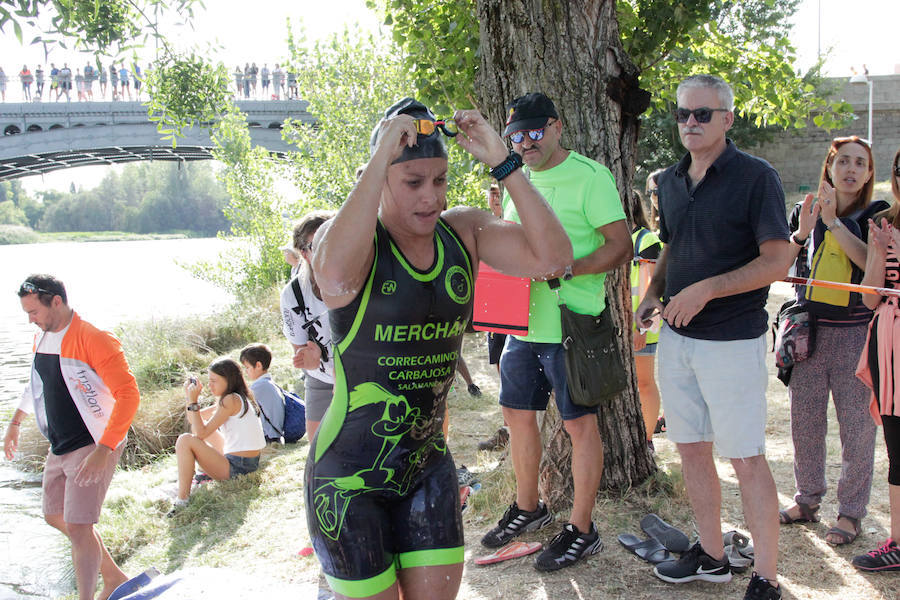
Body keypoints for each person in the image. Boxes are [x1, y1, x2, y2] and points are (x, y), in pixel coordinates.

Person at [306, 98, 572, 599]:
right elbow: (335, 276)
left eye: (440, 180)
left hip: (427, 469)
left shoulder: (463, 232)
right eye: (412, 182)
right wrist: (379, 156)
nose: (430, 197)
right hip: (346, 480)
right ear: (380, 175)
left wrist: (503, 160)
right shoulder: (349, 242)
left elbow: (553, 258)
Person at [635, 74, 791, 599]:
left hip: (733, 342)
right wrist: (655, 292)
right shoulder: (670, 179)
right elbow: (673, 246)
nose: (691, 123)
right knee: (691, 450)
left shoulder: (757, 177)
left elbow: (775, 261)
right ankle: (712, 557)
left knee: (745, 458)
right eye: (683, 114)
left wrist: (706, 290)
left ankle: (766, 577)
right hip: (676, 341)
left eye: (703, 114)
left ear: (727, 119)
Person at [481, 92, 631, 572]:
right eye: (515, 136)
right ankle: (529, 508)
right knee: (517, 416)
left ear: (557, 126)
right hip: (519, 326)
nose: (525, 143)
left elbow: (621, 246)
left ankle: (583, 531)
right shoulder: (513, 180)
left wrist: (568, 271)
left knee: (578, 426)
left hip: (574, 326)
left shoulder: (591, 176)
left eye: (534, 132)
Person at [4, 275, 140, 600]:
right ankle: (114, 576)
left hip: (93, 442)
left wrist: (104, 448)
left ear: (56, 301)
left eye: (34, 312)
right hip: (60, 444)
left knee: (79, 526)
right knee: (54, 515)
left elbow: (129, 395)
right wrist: (15, 422)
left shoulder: (93, 339)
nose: (30, 320)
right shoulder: (43, 338)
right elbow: (38, 384)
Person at [779, 136, 883, 545]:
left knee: (857, 429)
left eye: (860, 163)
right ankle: (807, 499)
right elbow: (784, 264)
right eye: (844, 162)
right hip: (807, 331)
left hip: (856, 332)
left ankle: (851, 513)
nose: (851, 169)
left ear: (870, 173)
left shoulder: (876, 212)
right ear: (830, 167)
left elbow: (865, 261)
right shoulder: (804, 210)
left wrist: (835, 221)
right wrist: (804, 230)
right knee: (804, 423)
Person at [854, 146, 900, 572]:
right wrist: (880, 251)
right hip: (891, 345)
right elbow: (870, 297)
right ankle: (899, 543)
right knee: (897, 444)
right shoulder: (886, 223)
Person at [171, 357, 265, 512]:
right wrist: (189, 397)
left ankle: (182, 500)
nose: (210, 385)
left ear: (228, 380)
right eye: (209, 381)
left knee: (184, 440)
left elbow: (201, 433)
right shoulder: (236, 397)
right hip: (247, 462)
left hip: (238, 468)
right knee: (195, 430)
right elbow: (194, 420)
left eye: (214, 381)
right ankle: (191, 479)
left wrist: (194, 401)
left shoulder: (230, 400)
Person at [281, 211, 335, 441]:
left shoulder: (364, 279)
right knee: (319, 452)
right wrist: (308, 359)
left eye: (332, 239)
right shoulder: (293, 294)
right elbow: (299, 350)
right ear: (304, 253)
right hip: (321, 380)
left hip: (366, 377)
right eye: (318, 244)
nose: (329, 250)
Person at [477, 182, 511, 452]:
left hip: (522, 312)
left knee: (515, 373)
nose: (495, 197)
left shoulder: (518, 221)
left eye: (499, 192)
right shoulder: (484, 228)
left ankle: (515, 430)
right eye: (492, 192)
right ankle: (506, 430)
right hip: (496, 312)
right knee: (502, 372)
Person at [630, 189, 663, 450]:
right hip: (619, 328)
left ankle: (647, 439)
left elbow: (652, 286)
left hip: (641, 327)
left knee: (644, 382)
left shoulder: (646, 239)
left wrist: (640, 327)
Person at [239, 344, 284, 444]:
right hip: (274, 435)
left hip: (268, 436)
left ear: (258, 365)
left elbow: (235, 403)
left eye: (247, 367)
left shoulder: (260, 386)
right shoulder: (268, 383)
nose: (246, 372)